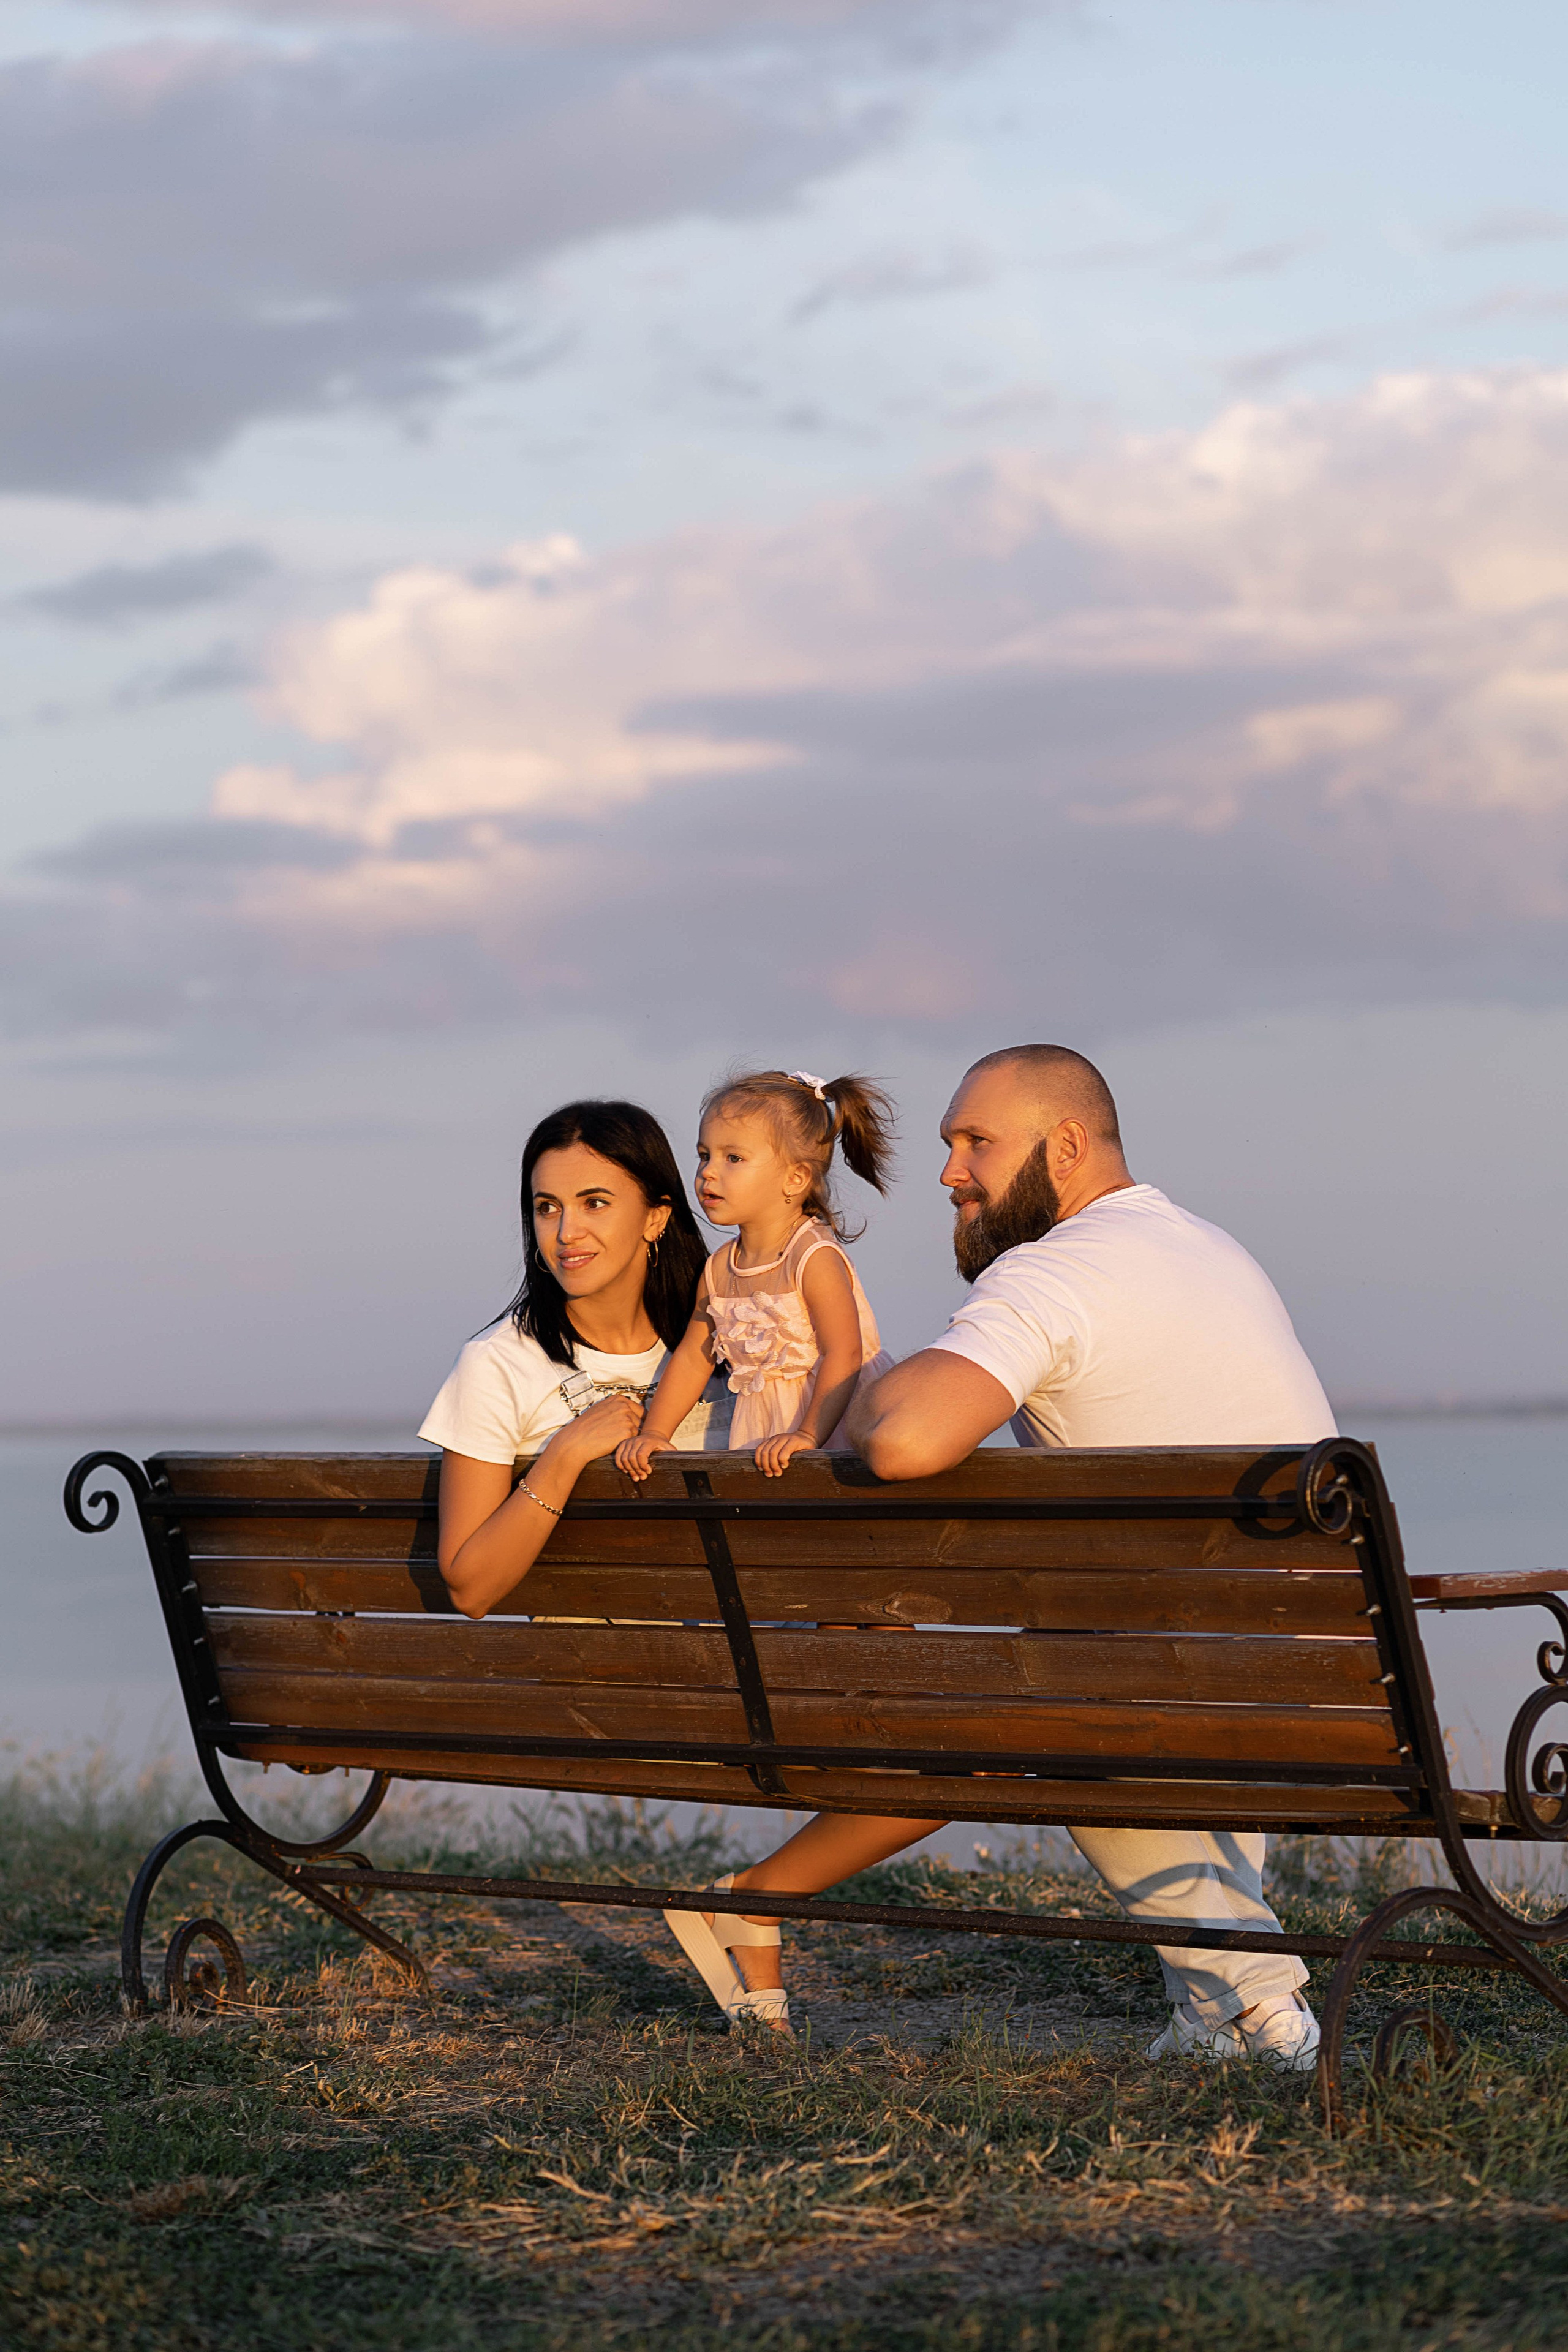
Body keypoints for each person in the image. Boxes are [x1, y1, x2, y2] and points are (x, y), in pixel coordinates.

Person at [661, 1044, 1335, 2068]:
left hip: (1192, 1683)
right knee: (1078, 1667)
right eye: (946, 1146)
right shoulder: (1209, 1248)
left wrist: (873, 1390)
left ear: (1067, 1147)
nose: (949, 1173)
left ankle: (1262, 2002)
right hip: (1320, 1681)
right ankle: (1213, 2014)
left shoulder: (1060, 1270)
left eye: (975, 1142)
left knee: (1040, 1697)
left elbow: (906, 1438)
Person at [421, 1099, 729, 1620]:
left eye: (595, 1203)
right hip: (599, 1685)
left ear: (656, 1216)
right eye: (547, 1207)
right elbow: (469, 1590)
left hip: (760, 1665)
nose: (566, 1232)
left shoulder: (729, 1345)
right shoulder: (498, 1364)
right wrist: (564, 1455)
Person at [616, 1068, 895, 1482]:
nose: (708, 1172)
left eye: (733, 1158)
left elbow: (845, 1354)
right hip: (761, 1432)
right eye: (704, 1155)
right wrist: (656, 1431)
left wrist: (807, 1434)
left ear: (795, 1178)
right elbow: (694, 1357)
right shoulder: (719, 1268)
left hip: (833, 1424)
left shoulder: (813, 1255)